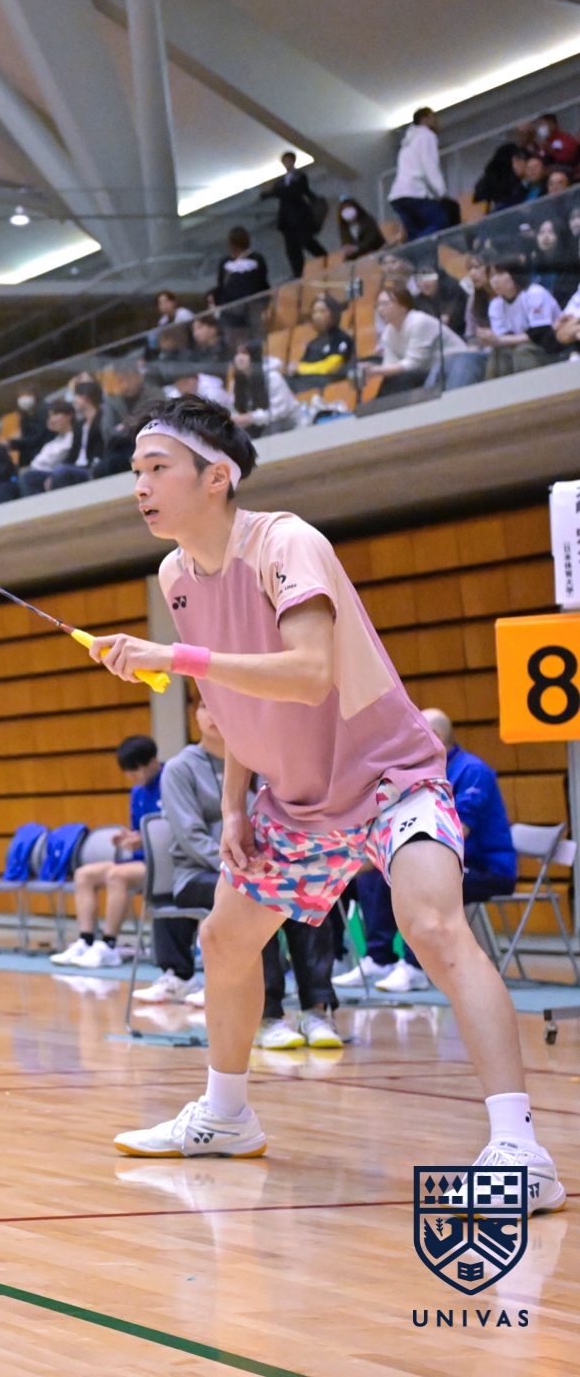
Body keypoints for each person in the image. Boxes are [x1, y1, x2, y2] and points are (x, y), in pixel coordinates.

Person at [91, 396, 560, 1213]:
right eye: (135, 471)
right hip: (297, 804)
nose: (139, 486)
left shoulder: (285, 543)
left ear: (216, 477)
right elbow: (232, 702)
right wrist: (234, 806)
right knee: (223, 939)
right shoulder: (175, 577)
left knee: (432, 926)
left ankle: (520, 1148)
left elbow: (307, 672)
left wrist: (172, 656)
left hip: (387, 779)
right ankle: (226, 1116)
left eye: (156, 468)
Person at [339, 709, 521, 996]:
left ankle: (416, 967)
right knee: (370, 877)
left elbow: (458, 831)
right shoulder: (420, 773)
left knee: (414, 878)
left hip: (486, 868)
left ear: (434, 736)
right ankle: (379, 958)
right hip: (445, 863)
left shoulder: (473, 771)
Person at [131, 699, 226, 1005]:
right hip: (203, 870)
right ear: (195, 714)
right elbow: (190, 836)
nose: (213, 713)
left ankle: (313, 999)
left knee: (296, 888)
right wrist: (233, 866)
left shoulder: (256, 763)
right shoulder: (181, 768)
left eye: (221, 704)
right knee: (240, 890)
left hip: (246, 868)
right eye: (205, 705)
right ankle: (200, 978)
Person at [54, 736, 160, 968]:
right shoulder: (137, 792)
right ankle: (86, 941)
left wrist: (143, 840)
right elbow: (139, 830)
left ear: (153, 761)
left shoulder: (171, 782)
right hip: (141, 860)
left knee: (116, 875)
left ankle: (109, 946)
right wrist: (128, 838)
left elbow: (173, 829)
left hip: (165, 863)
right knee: (84, 875)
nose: (134, 776)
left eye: (137, 769)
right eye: (129, 771)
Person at [367, 284, 463, 399]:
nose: (380, 309)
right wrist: (371, 369)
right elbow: (390, 365)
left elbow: (414, 364)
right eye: (378, 305)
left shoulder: (418, 322)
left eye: (385, 304)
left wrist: (376, 370)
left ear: (403, 307)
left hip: (454, 367)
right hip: (428, 370)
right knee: (392, 381)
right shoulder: (388, 333)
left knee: (404, 379)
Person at [476, 267, 559, 376]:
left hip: (551, 350)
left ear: (514, 274)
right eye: (491, 276)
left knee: (524, 352)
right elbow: (504, 338)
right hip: (519, 350)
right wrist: (490, 339)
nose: (494, 281)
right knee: (499, 354)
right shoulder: (496, 305)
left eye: (500, 273)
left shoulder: (534, 293)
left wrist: (499, 340)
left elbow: (540, 334)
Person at [388, 107, 452, 241]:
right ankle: (419, 247)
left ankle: (414, 252)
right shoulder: (427, 136)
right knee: (441, 220)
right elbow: (429, 165)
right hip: (414, 191)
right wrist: (441, 192)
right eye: (433, 117)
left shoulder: (407, 143)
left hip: (398, 195)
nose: (436, 122)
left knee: (414, 234)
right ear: (424, 119)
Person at [262, 152, 325, 278]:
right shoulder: (281, 181)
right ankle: (299, 274)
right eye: (285, 161)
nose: (288, 164)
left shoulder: (299, 176)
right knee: (292, 250)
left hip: (300, 218)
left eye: (289, 161)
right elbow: (270, 193)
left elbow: (295, 191)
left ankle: (325, 260)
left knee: (306, 241)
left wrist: (277, 191)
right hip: (287, 221)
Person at [228, 344, 303, 434]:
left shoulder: (272, 377)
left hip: (286, 422)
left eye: (245, 353)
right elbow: (237, 412)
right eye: (236, 354)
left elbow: (279, 412)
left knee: (271, 430)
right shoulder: (235, 384)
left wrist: (250, 417)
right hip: (257, 425)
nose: (240, 358)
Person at [208, 227, 270, 328]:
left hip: (250, 308)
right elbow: (221, 285)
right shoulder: (226, 262)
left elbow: (261, 282)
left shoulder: (256, 259)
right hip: (233, 311)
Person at [291, 296, 353, 386]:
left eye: (322, 311)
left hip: (327, 383)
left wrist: (301, 369)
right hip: (306, 382)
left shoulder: (341, 338)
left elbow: (331, 367)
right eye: (314, 312)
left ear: (334, 314)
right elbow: (302, 365)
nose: (317, 316)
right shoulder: (313, 344)